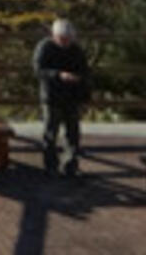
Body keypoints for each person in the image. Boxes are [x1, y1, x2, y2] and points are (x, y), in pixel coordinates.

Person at [33, 17, 91, 176]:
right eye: (62, 39)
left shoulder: (76, 50)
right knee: (51, 132)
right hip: (52, 96)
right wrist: (58, 75)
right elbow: (38, 70)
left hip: (72, 96)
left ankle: (71, 165)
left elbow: (85, 74)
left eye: (68, 39)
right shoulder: (44, 48)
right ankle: (50, 166)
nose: (66, 42)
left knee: (73, 133)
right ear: (54, 36)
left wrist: (85, 98)